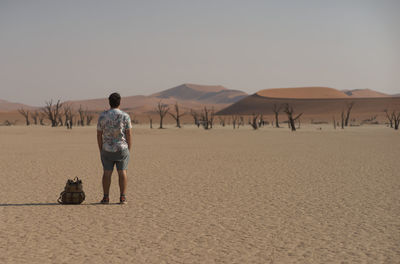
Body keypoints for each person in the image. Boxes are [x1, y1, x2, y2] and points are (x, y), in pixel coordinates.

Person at [97, 93, 132, 204]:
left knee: (107, 172)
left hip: (107, 148)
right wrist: (128, 149)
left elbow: (99, 134)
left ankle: (106, 197)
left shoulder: (103, 116)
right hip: (122, 148)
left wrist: (101, 148)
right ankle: (122, 197)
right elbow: (129, 134)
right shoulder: (125, 116)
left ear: (109, 102)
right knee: (122, 172)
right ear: (119, 102)